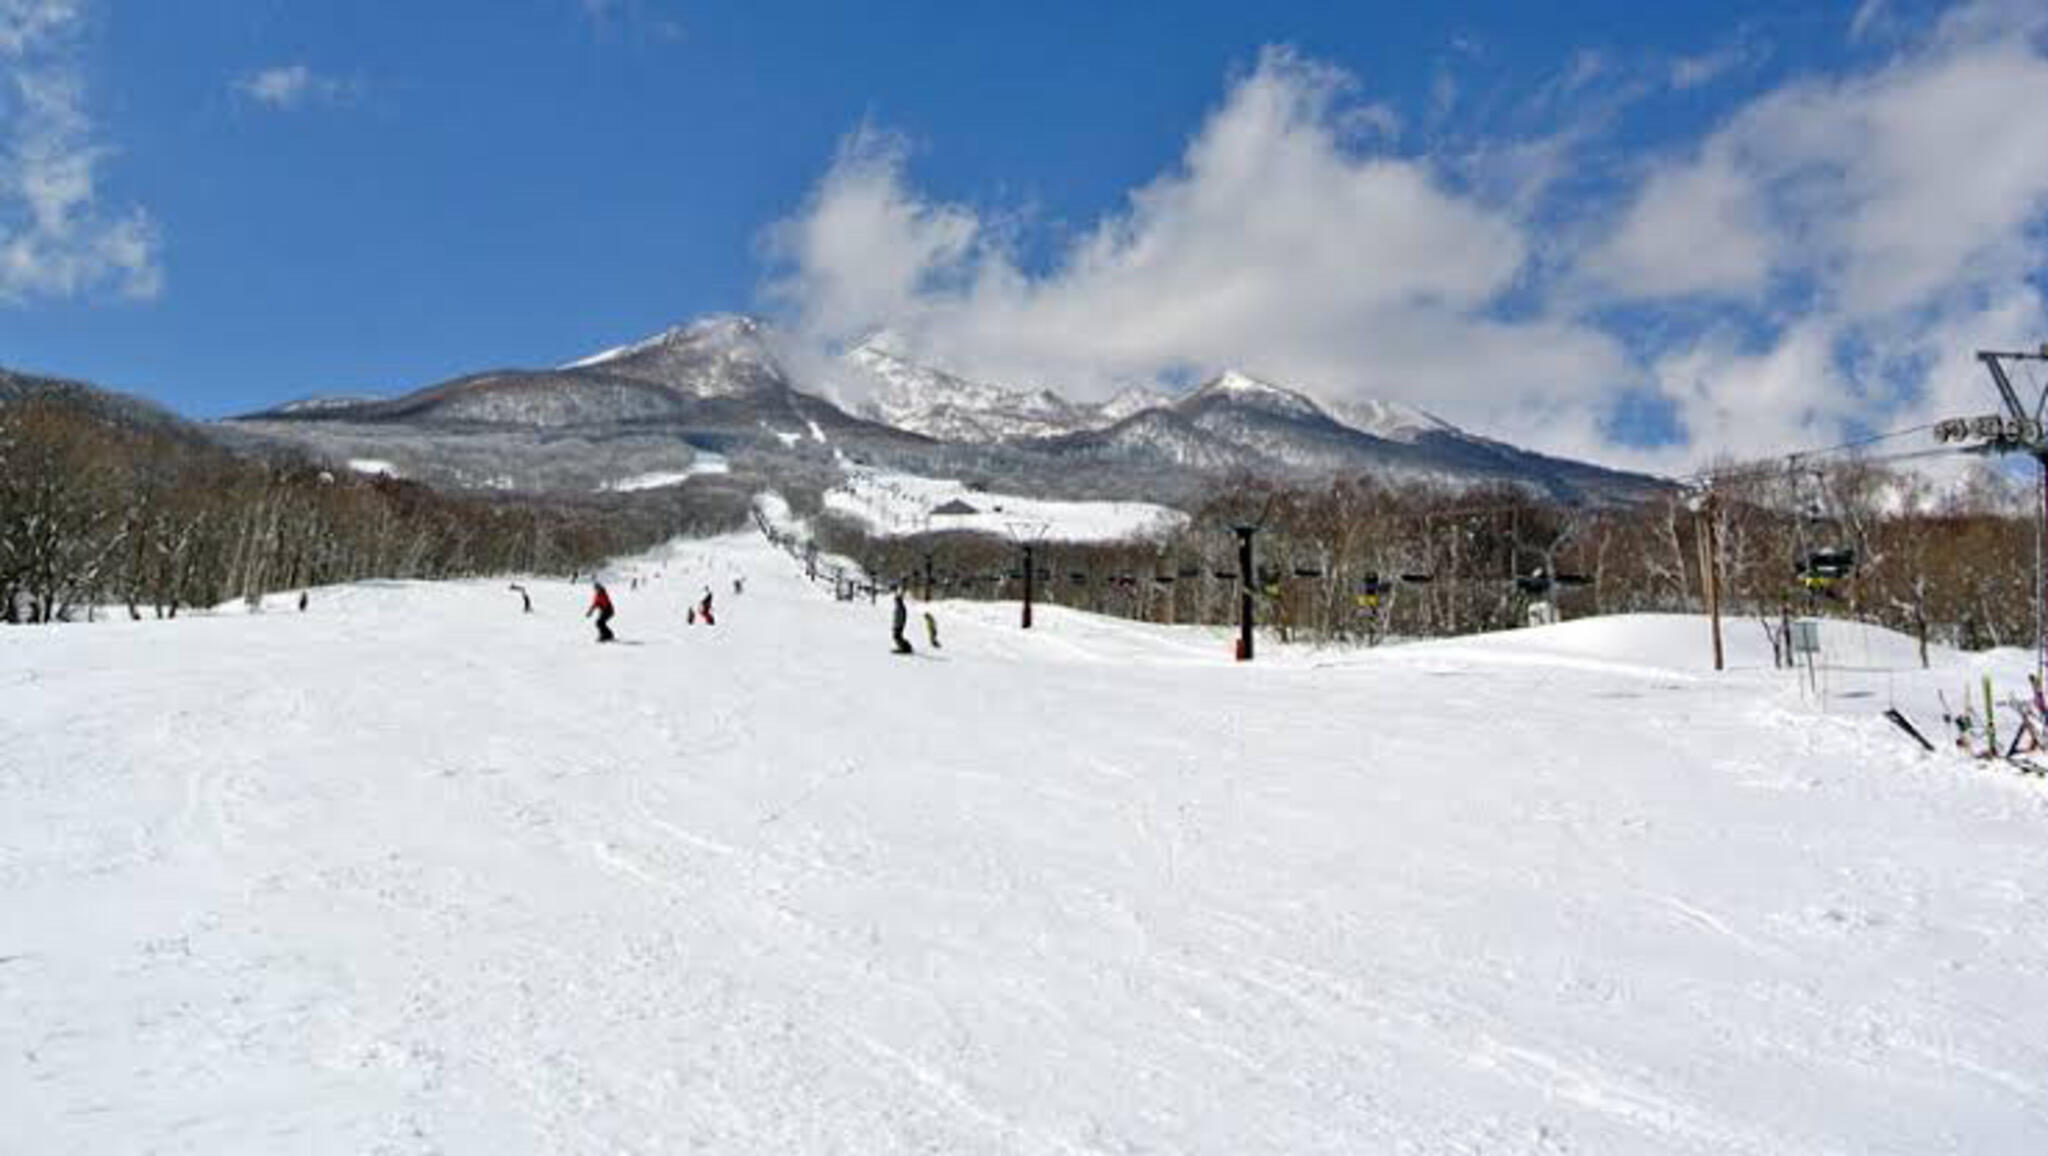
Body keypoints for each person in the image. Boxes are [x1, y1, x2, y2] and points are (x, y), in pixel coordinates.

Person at [891, 590, 914, 654]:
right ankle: (904, 647)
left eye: (896, 600)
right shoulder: (899, 606)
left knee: (897, 636)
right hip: (898, 624)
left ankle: (906, 647)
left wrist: (898, 624)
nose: (895, 602)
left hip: (899, 624)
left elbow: (901, 617)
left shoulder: (901, 607)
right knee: (897, 636)